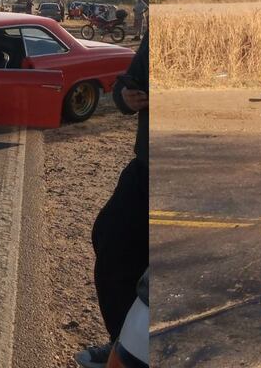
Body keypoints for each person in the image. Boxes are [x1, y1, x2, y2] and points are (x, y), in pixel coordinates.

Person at [75, 33, 148, 368]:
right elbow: (125, 83)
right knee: (110, 240)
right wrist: (126, 96)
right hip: (145, 166)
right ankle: (125, 344)